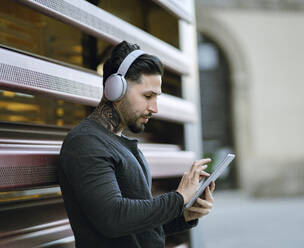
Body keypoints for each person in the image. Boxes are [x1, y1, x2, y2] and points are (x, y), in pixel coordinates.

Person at [58, 40, 215, 248]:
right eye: (147, 96)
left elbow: (138, 228)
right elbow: (113, 219)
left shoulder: (123, 145)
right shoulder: (85, 143)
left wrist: (184, 213)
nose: (155, 108)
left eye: (156, 97)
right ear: (116, 89)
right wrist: (178, 198)